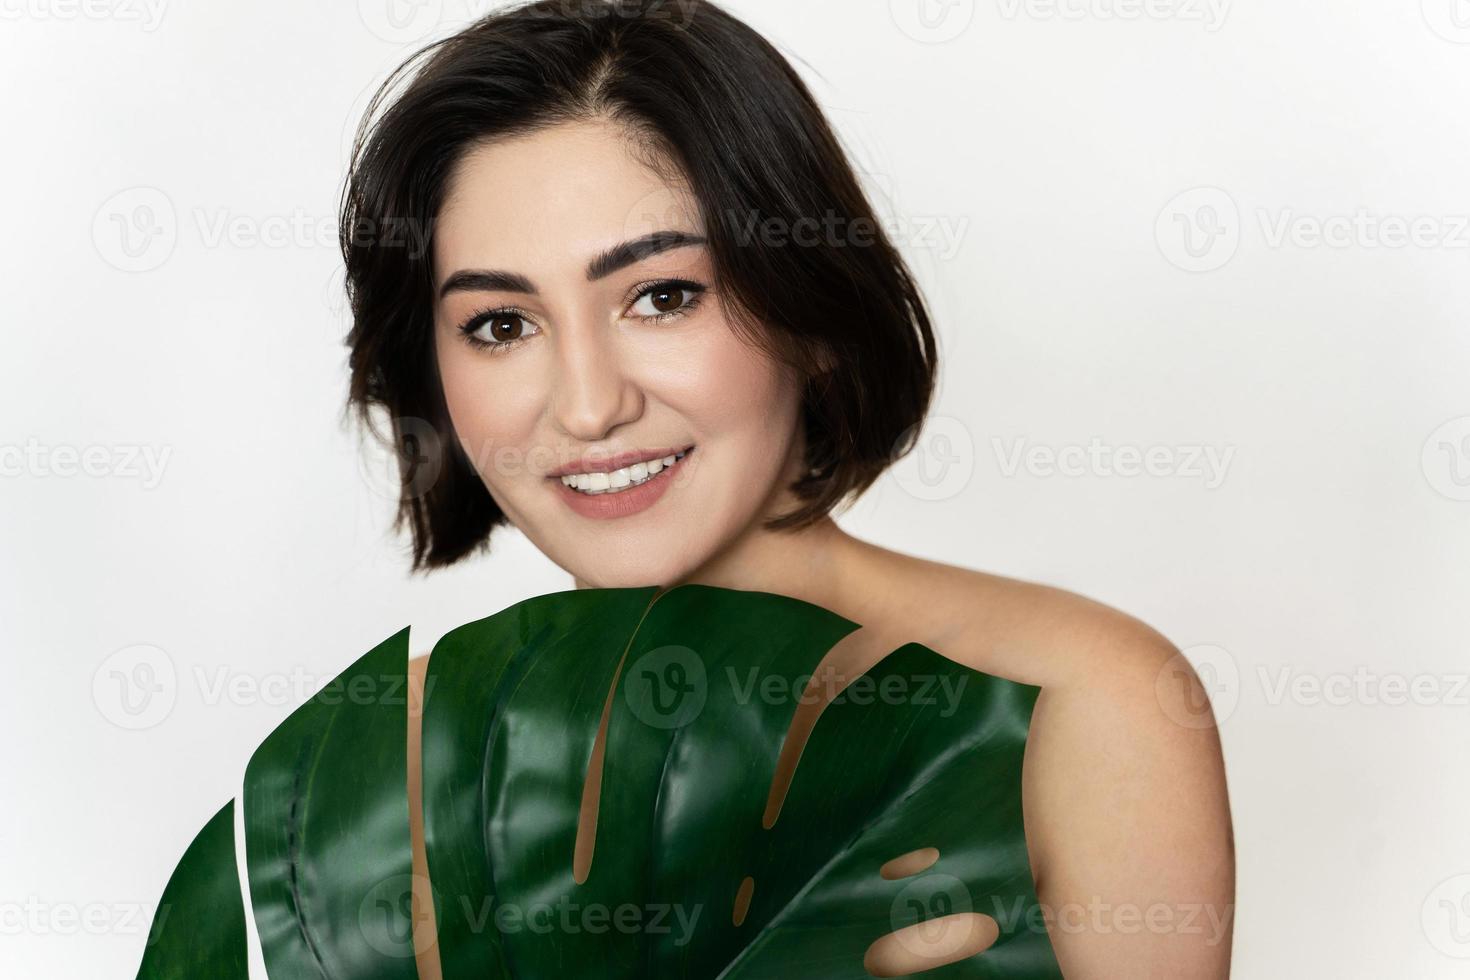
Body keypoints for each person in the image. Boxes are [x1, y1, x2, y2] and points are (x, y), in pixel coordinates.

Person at [339, 2, 1235, 976]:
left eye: (663, 295)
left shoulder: (1079, 698)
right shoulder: (397, 755)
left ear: (805, 304)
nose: (590, 406)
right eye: (502, 323)